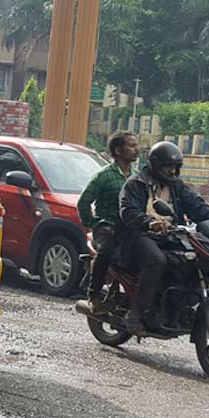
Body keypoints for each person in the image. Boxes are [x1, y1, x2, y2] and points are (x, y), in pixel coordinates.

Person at [119, 141, 209, 336]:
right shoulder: (135, 184)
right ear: (156, 165)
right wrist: (149, 223)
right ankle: (136, 314)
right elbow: (128, 211)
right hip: (139, 235)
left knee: (194, 259)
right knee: (156, 260)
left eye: (176, 167)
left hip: (172, 235)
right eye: (169, 166)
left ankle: (179, 306)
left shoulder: (177, 187)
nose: (173, 171)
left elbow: (198, 207)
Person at [74, 131, 139, 316]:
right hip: (108, 228)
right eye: (132, 146)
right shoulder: (103, 176)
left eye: (136, 145)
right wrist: (93, 224)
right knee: (106, 251)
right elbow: (83, 202)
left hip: (130, 229)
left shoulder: (136, 176)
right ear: (118, 150)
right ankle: (93, 297)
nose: (136, 149)